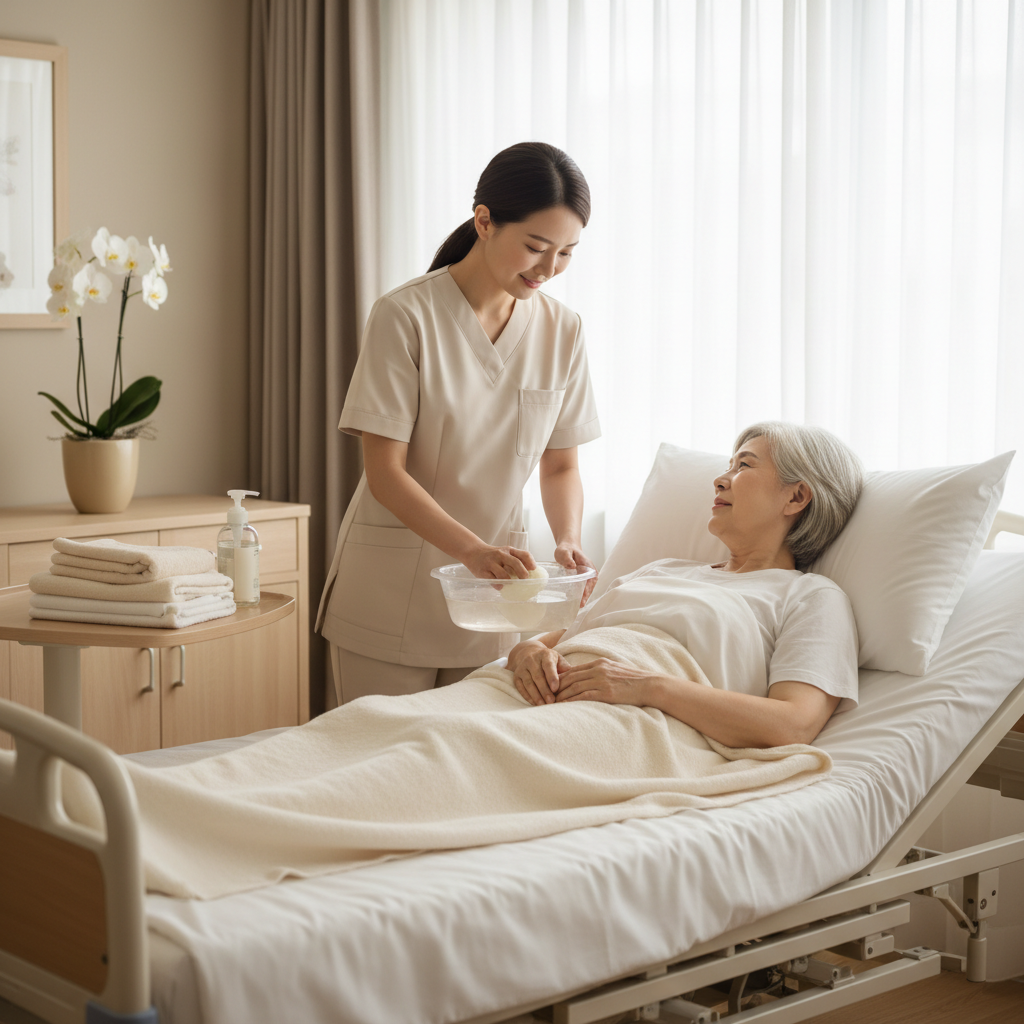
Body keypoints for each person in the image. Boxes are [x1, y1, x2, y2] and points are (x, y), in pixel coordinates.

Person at [316, 142, 601, 704]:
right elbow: (385, 472)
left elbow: (562, 462)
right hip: (393, 589)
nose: (549, 269)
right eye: (537, 248)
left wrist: (567, 539)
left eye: (566, 252)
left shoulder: (563, 330)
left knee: (464, 775)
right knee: (372, 770)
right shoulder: (406, 316)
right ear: (485, 222)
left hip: (493, 600)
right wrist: (471, 552)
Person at [508, 422, 864, 748]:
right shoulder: (661, 570)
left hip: (622, 728)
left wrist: (646, 687)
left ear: (796, 497)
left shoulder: (811, 597)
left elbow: (793, 724)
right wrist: (528, 653)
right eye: (728, 466)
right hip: (528, 700)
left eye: (744, 466)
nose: (721, 480)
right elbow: (559, 638)